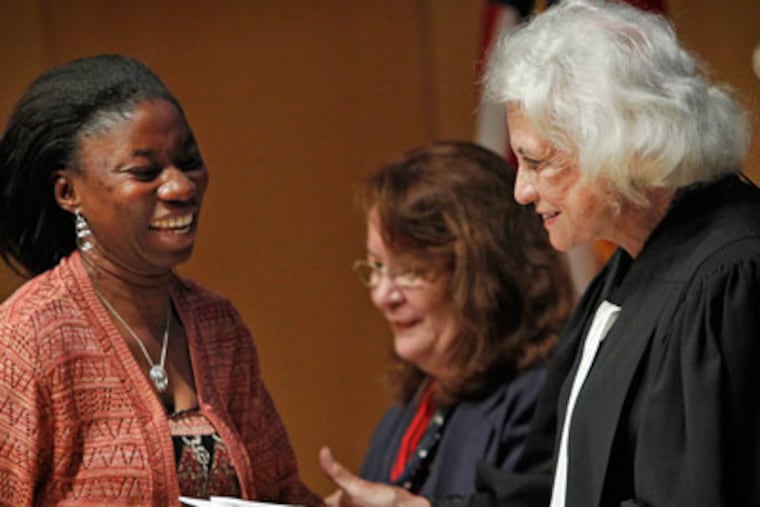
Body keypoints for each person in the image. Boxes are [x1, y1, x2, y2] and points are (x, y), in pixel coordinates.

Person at [319, 1, 760, 506]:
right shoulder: (626, 269)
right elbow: (559, 484)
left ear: (620, 145)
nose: (521, 191)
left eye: (537, 161)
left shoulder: (730, 276)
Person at [0, 54, 321, 506]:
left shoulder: (218, 327)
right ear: (68, 193)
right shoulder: (26, 339)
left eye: (189, 162)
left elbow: (282, 494)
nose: (181, 188)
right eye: (145, 173)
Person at [330, 141, 574, 500]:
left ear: (486, 275)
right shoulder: (411, 405)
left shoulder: (543, 401)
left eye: (411, 271)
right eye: (378, 267)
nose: (383, 295)